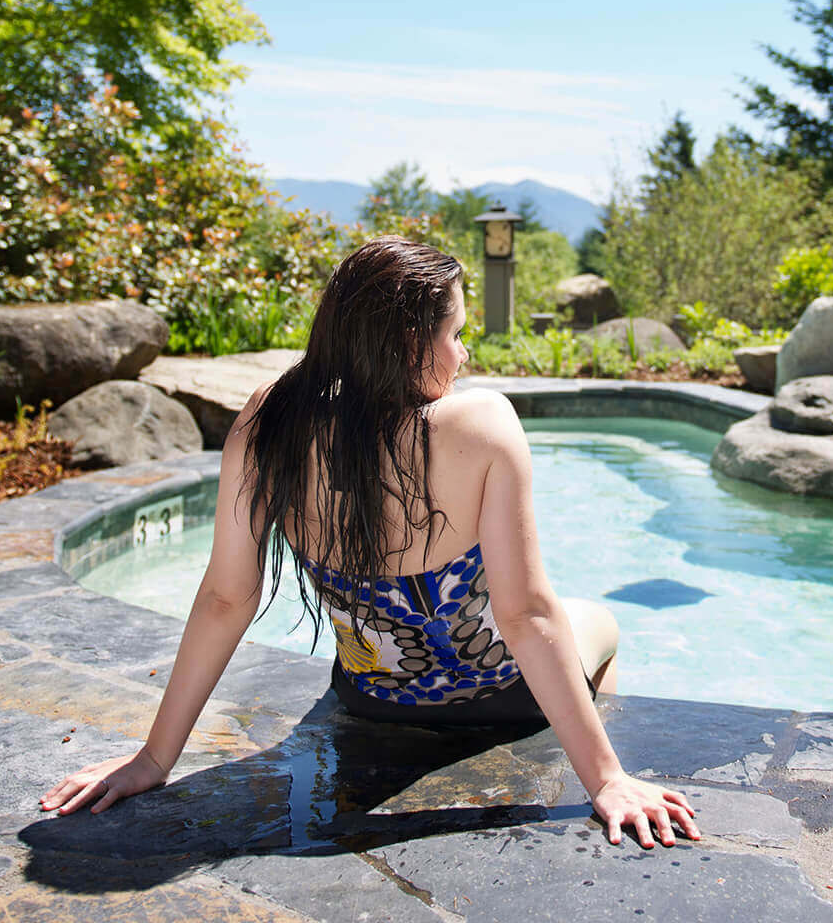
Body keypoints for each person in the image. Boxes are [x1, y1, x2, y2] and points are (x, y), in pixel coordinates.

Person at [40, 236, 701, 849]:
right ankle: (587, 747)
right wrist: (608, 781)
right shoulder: (482, 423)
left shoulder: (269, 424)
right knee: (599, 621)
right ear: (414, 341)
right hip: (507, 700)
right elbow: (525, 617)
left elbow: (224, 598)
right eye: (456, 334)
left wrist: (155, 759)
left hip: (373, 697)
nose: (463, 354)